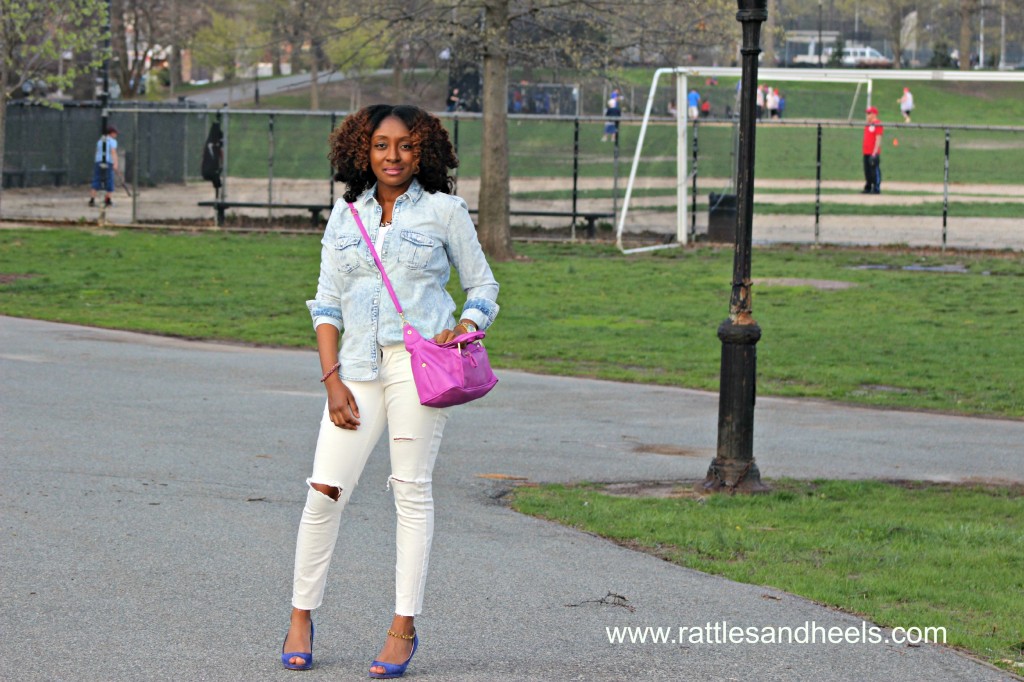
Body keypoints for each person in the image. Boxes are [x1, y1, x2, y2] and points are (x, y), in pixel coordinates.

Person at [280, 103, 499, 679]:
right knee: (324, 490)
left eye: (405, 145)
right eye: (381, 145)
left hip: (418, 365)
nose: (393, 156)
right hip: (353, 369)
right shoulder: (344, 215)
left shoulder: (446, 212)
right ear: (363, 150)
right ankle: (301, 614)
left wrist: (468, 326)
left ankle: (403, 625)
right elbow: (326, 303)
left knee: (410, 489)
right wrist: (332, 382)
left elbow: (482, 285)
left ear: (423, 151)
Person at [88, 126, 119, 207]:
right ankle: (108, 200)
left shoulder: (100, 141)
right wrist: (115, 163)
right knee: (109, 180)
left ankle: (92, 199)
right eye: (115, 133)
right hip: (108, 162)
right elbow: (113, 152)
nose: (116, 135)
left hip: (98, 162)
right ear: (111, 133)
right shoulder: (112, 141)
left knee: (96, 179)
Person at [862, 106, 884, 194]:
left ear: (874, 114)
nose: (867, 115)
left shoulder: (877, 124)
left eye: (869, 113)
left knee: (874, 170)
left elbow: (878, 139)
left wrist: (874, 153)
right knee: (867, 171)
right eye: (867, 113)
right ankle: (868, 186)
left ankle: (876, 187)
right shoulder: (868, 124)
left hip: (873, 152)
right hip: (866, 152)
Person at [200, 119, 224, 195]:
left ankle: (217, 196)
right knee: (215, 178)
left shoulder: (215, 142)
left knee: (216, 180)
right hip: (208, 169)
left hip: (213, 168)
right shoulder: (211, 143)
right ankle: (217, 196)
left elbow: (220, 152)